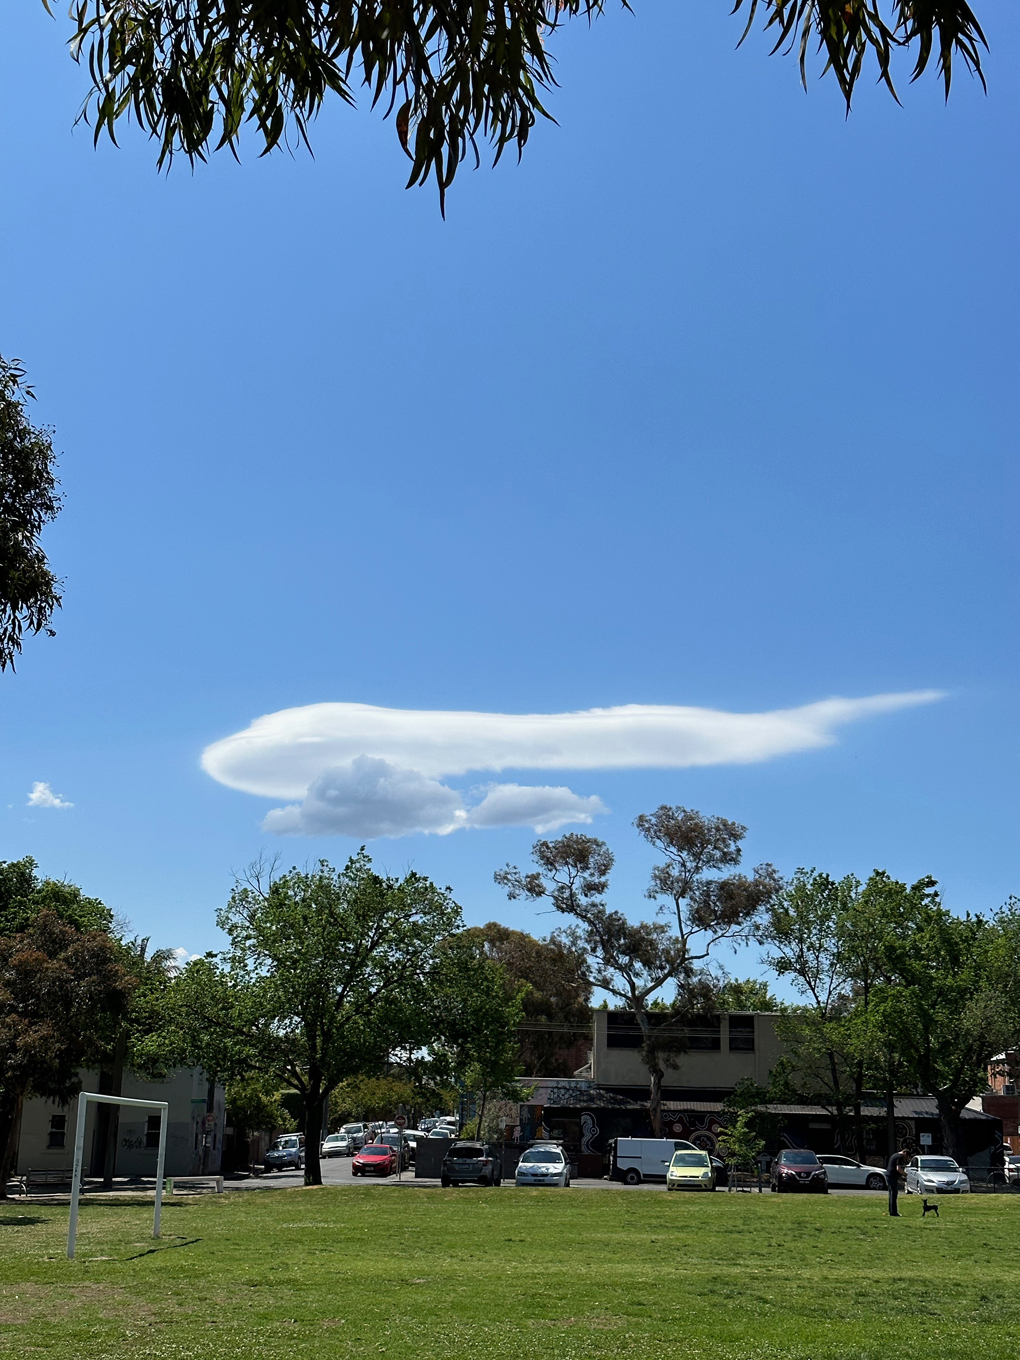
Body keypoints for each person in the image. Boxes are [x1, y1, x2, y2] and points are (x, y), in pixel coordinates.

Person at [887, 1149, 906, 1216]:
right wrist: (905, 1174)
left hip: (889, 1176)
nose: (905, 1157)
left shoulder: (894, 1155)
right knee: (894, 1194)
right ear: (904, 1152)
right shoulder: (899, 1157)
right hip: (892, 1177)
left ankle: (891, 1210)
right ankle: (893, 1212)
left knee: (891, 1194)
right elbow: (898, 1168)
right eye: (906, 1155)